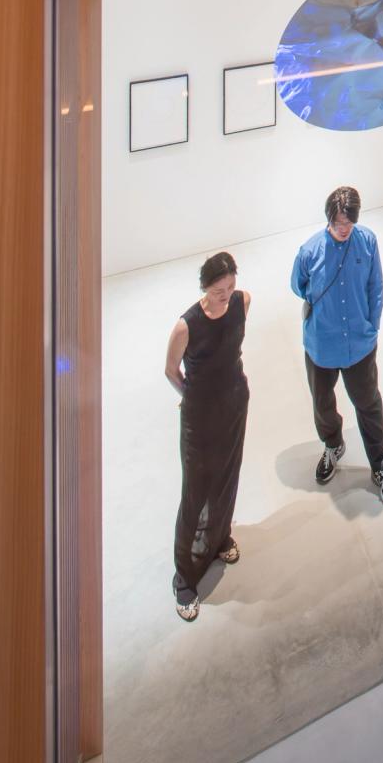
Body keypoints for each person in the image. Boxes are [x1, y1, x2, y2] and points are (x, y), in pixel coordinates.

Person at [291, 186, 383, 505]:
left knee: (368, 403)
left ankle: (381, 464)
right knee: (322, 403)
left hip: (359, 343)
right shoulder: (310, 251)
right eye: (338, 222)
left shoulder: (367, 242)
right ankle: (332, 444)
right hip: (321, 344)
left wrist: (372, 324)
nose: (343, 228)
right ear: (329, 219)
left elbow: (375, 285)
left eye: (348, 223)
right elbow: (297, 285)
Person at [164, 250, 251, 622]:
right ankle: (185, 576)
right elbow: (170, 371)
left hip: (234, 404)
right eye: (219, 290)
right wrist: (194, 397)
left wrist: (224, 395)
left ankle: (219, 538)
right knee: (196, 488)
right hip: (200, 416)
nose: (227, 295)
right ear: (204, 288)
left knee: (228, 476)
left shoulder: (243, 302)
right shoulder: (187, 325)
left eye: (230, 287)